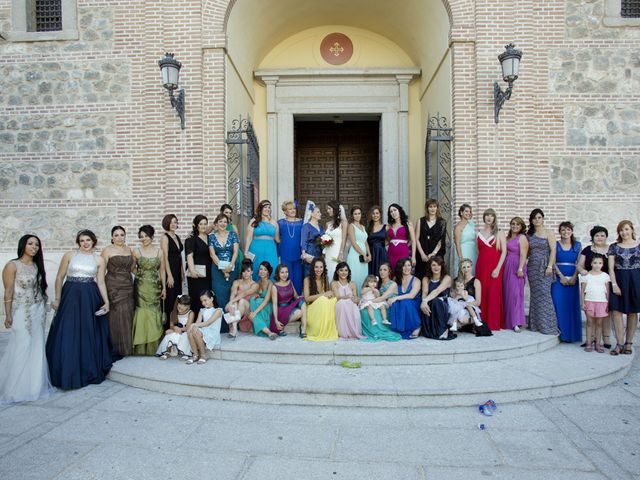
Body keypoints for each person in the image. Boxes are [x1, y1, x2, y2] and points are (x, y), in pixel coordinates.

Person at [46, 230, 113, 390]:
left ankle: (85, 369)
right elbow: (59, 277)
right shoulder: (69, 255)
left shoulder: (99, 259)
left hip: (89, 297)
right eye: (82, 240)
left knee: (86, 332)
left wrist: (106, 302)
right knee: (67, 330)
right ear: (78, 242)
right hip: (70, 295)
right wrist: (57, 298)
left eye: (88, 240)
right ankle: (65, 370)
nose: (85, 243)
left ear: (93, 241)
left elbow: (101, 282)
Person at [0, 235, 55, 403]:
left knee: (36, 346)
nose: (34, 247)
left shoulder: (37, 266)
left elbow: (40, 289)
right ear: (23, 245)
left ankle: (33, 387)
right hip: (21, 312)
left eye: (37, 245)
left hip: (37, 311)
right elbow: (8, 292)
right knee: (21, 346)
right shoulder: (12, 265)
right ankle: (15, 389)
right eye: (30, 244)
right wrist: (8, 314)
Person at [131, 225, 166, 355]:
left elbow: (162, 270)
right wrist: (141, 275)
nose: (143, 238)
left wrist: (164, 288)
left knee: (153, 313)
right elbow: (131, 268)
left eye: (146, 236)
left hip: (155, 288)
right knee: (141, 313)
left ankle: (154, 346)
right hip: (140, 287)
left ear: (152, 236)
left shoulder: (159, 252)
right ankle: (140, 347)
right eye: (141, 236)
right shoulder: (136, 251)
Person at [608, 220, 640, 356]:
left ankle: (628, 343)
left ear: (632, 230)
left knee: (633, 312)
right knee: (616, 311)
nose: (624, 232)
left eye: (626, 229)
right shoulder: (614, 247)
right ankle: (619, 343)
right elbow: (610, 267)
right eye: (621, 230)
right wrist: (614, 284)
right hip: (619, 279)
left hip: (636, 280)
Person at [102, 226, 134, 357]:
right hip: (113, 286)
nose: (119, 237)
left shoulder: (129, 249)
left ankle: (127, 347)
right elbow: (101, 271)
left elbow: (132, 268)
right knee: (116, 315)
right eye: (116, 235)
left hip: (128, 285)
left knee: (127, 314)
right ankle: (115, 348)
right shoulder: (107, 250)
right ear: (112, 237)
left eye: (122, 235)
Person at [577, 226, 611, 348]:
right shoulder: (587, 250)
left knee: (605, 314)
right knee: (591, 317)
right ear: (592, 237)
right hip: (590, 283)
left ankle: (605, 339)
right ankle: (589, 340)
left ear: (606, 237)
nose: (600, 238)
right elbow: (579, 265)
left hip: (606, 282)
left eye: (602, 235)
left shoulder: (610, 249)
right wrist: (583, 271)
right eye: (597, 235)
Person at [527, 209, 559, 335]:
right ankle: (535, 325)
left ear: (543, 219)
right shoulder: (529, 234)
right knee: (535, 295)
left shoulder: (548, 233)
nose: (537, 220)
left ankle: (548, 326)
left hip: (545, 266)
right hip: (532, 267)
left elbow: (553, 250)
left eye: (539, 217)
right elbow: (527, 252)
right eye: (534, 218)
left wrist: (550, 266)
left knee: (545, 295)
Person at [208, 213, 239, 336]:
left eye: (225, 222)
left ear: (228, 223)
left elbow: (236, 252)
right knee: (219, 297)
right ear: (216, 223)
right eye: (220, 221)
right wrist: (222, 268)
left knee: (230, 296)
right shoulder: (211, 237)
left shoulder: (232, 235)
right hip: (217, 270)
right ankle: (221, 327)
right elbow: (212, 254)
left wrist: (230, 266)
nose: (222, 224)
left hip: (232, 268)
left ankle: (232, 325)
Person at [475, 209, 506, 331]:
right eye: (487, 215)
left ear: (494, 218)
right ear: (484, 217)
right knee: (481, 293)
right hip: (481, 266)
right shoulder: (478, 233)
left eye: (491, 216)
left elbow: (504, 252)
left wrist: (498, 268)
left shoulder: (499, 232)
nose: (489, 218)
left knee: (493, 293)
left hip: (495, 267)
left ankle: (493, 322)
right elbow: (479, 251)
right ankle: (482, 321)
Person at [551, 221, 582, 343]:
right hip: (558, 279)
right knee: (558, 304)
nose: (566, 232)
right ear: (560, 232)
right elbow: (552, 262)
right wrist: (561, 276)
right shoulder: (556, 245)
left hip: (573, 278)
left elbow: (580, 263)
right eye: (563, 230)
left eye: (568, 230)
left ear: (572, 231)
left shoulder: (578, 245)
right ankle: (560, 334)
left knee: (571, 306)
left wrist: (574, 277)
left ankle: (572, 335)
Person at [359, 264, 402, 342]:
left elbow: (382, 297)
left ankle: (380, 328)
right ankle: (371, 331)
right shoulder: (378, 284)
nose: (382, 272)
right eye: (380, 270)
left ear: (389, 272)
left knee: (374, 311)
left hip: (390, 305)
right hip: (378, 302)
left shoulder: (393, 284)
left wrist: (369, 302)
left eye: (385, 270)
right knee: (365, 311)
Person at [503, 217, 529, 332]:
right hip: (507, 266)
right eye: (513, 224)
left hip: (517, 266)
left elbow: (523, 254)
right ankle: (508, 321)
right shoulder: (508, 238)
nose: (515, 226)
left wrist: (520, 269)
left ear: (521, 226)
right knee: (508, 294)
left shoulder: (522, 237)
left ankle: (516, 322)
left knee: (516, 295)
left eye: (518, 224)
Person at [303, 257, 339, 341]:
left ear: (324, 268)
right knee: (322, 300)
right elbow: (307, 299)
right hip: (312, 308)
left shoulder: (325, 278)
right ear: (312, 268)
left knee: (334, 300)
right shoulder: (307, 280)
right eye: (316, 267)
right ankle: (320, 330)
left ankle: (328, 328)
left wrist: (330, 295)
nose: (319, 269)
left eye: (321, 267)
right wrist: (323, 295)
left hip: (323, 307)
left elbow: (327, 295)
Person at [580, 255, 610, 353]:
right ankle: (589, 343)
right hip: (589, 301)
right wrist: (582, 302)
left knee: (599, 324)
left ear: (603, 264)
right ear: (591, 264)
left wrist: (608, 303)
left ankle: (598, 344)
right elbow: (582, 290)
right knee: (589, 323)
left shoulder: (605, 276)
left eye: (600, 263)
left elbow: (608, 291)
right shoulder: (586, 276)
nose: (597, 265)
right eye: (595, 263)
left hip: (602, 302)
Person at [420, 256, 454, 340]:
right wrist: (423, 302)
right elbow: (424, 292)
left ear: (442, 266)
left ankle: (443, 330)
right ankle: (430, 330)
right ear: (430, 267)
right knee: (428, 303)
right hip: (429, 303)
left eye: (439, 265)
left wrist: (425, 301)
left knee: (435, 301)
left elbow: (437, 291)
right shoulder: (426, 279)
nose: (436, 267)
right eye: (433, 265)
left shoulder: (447, 278)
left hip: (443, 305)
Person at [245, 200, 279, 281]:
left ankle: (270, 291)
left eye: (269, 207)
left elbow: (277, 239)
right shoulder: (254, 221)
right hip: (256, 249)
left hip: (271, 250)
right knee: (256, 268)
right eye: (265, 207)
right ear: (261, 208)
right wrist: (245, 252)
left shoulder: (274, 222)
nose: (267, 209)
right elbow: (249, 237)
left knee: (272, 268)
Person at [388, 258, 422, 339]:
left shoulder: (416, 280)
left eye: (409, 265)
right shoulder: (396, 279)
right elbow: (391, 292)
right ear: (400, 267)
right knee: (395, 303)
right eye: (404, 266)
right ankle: (399, 329)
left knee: (404, 302)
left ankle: (416, 326)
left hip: (414, 303)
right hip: (402, 302)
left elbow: (412, 295)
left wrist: (396, 298)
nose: (407, 268)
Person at [186, 291, 222, 364]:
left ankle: (203, 355)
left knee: (195, 329)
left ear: (211, 299)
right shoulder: (202, 310)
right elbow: (198, 323)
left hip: (213, 333)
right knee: (191, 330)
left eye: (205, 300)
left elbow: (208, 323)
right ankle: (195, 354)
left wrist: (194, 325)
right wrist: (193, 326)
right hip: (205, 330)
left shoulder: (218, 310)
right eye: (202, 301)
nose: (203, 303)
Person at [185, 215, 211, 317]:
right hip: (196, 274)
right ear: (196, 225)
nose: (203, 226)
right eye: (201, 224)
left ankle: (206, 321)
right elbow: (189, 256)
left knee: (207, 297)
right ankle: (196, 323)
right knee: (197, 297)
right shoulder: (191, 239)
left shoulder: (210, 238)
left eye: (205, 224)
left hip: (208, 272)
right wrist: (192, 271)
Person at [271, 264, 306, 337]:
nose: (285, 274)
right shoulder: (274, 286)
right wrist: (276, 320)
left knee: (302, 301)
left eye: (286, 272)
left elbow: (296, 297)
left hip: (290, 306)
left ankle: (303, 329)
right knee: (299, 312)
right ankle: (280, 324)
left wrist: (304, 298)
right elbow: (274, 304)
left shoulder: (290, 282)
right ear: (278, 273)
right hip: (281, 310)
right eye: (282, 272)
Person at [415, 199, 447, 280]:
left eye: (434, 207)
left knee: (436, 276)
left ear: (437, 208)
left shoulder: (442, 222)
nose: (432, 209)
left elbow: (441, 240)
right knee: (422, 275)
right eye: (430, 207)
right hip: (422, 252)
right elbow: (416, 239)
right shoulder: (420, 220)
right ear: (427, 208)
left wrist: (433, 254)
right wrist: (422, 254)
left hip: (436, 253)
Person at [160, 214, 183, 324]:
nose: (173, 224)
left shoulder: (177, 237)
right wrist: (169, 275)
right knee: (170, 299)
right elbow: (165, 258)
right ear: (166, 224)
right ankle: (168, 326)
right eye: (171, 222)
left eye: (175, 222)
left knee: (177, 299)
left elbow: (179, 256)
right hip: (170, 271)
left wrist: (182, 271)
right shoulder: (165, 237)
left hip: (178, 270)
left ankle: (175, 323)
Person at [332, 262, 364, 339]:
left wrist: (355, 299)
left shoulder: (352, 283)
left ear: (348, 272)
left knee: (353, 305)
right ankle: (342, 332)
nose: (344, 273)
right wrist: (347, 296)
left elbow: (355, 298)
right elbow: (337, 297)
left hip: (350, 304)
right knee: (342, 303)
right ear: (337, 272)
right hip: (339, 304)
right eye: (341, 270)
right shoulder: (334, 283)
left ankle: (353, 331)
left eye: (346, 270)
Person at [156, 295, 194, 360]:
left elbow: (188, 327)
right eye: (180, 304)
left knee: (185, 335)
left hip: (186, 331)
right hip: (177, 331)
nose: (181, 306)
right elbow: (171, 326)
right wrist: (173, 330)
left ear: (188, 306)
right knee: (169, 334)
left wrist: (179, 329)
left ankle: (186, 353)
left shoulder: (190, 313)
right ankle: (167, 352)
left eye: (184, 305)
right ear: (177, 303)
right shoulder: (173, 313)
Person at [277, 200, 304, 294]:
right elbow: (276, 239)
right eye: (290, 209)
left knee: (298, 278)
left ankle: (298, 300)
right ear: (285, 211)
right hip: (285, 253)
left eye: (293, 208)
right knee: (287, 277)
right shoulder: (280, 223)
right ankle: (287, 298)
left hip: (298, 254)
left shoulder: (302, 222)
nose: (293, 210)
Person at [225, 261, 258, 335]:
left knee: (241, 301)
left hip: (248, 310)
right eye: (244, 271)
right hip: (237, 310)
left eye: (248, 271)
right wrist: (231, 305)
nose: (246, 273)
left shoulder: (255, 285)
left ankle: (234, 327)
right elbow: (232, 294)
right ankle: (234, 327)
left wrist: (231, 302)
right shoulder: (236, 282)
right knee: (233, 304)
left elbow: (244, 293)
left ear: (252, 272)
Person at [248, 261, 277, 339]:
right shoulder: (258, 283)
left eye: (265, 270)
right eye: (261, 269)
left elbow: (266, 300)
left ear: (268, 272)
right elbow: (255, 296)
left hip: (268, 306)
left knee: (253, 309)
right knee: (252, 300)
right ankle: (269, 333)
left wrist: (254, 312)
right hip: (260, 307)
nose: (262, 271)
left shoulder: (270, 283)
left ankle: (264, 328)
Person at [346, 205, 370, 295]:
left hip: (364, 255)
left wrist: (369, 254)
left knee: (363, 276)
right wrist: (363, 254)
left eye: (359, 213)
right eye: (355, 214)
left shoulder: (363, 227)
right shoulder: (351, 226)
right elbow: (354, 243)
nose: (357, 215)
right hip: (355, 255)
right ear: (352, 215)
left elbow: (366, 242)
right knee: (355, 275)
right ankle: (354, 298)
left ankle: (362, 297)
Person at [323, 201, 348, 280]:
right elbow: (326, 237)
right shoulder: (328, 224)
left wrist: (341, 253)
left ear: (335, 209)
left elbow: (344, 239)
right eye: (327, 209)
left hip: (337, 251)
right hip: (328, 252)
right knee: (328, 272)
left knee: (335, 272)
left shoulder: (343, 223)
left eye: (329, 209)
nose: (328, 211)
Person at [387, 204, 416, 272]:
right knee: (392, 273)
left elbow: (413, 241)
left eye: (395, 210)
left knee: (403, 272)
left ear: (399, 210)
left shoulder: (408, 223)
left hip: (403, 253)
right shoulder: (389, 226)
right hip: (390, 253)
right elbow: (387, 240)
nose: (393, 213)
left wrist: (413, 256)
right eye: (391, 211)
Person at [300, 201, 325, 278]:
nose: (320, 214)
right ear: (312, 214)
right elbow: (303, 240)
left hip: (319, 252)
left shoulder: (321, 227)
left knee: (319, 273)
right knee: (309, 273)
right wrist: (304, 254)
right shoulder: (306, 226)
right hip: (310, 252)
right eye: (318, 212)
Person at [220, 203, 245, 276]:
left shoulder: (233, 227)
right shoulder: (215, 225)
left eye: (230, 213)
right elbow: (204, 231)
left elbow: (237, 241)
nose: (228, 214)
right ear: (221, 212)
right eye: (226, 212)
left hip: (234, 254)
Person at [453, 203, 477, 276]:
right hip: (464, 251)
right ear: (461, 212)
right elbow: (457, 243)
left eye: (470, 211)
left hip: (473, 251)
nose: (468, 213)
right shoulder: (458, 227)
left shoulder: (471, 224)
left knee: (473, 272)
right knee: (464, 272)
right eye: (466, 211)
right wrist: (461, 258)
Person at [366, 205, 388, 276]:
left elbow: (390, 240)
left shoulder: (386, 227)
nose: (375, 215)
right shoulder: (368, 228)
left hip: (382, 253)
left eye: (377, 213)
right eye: (373, 213)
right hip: (371, 253)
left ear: (380, 214)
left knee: (382, 273)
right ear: (371, 215)